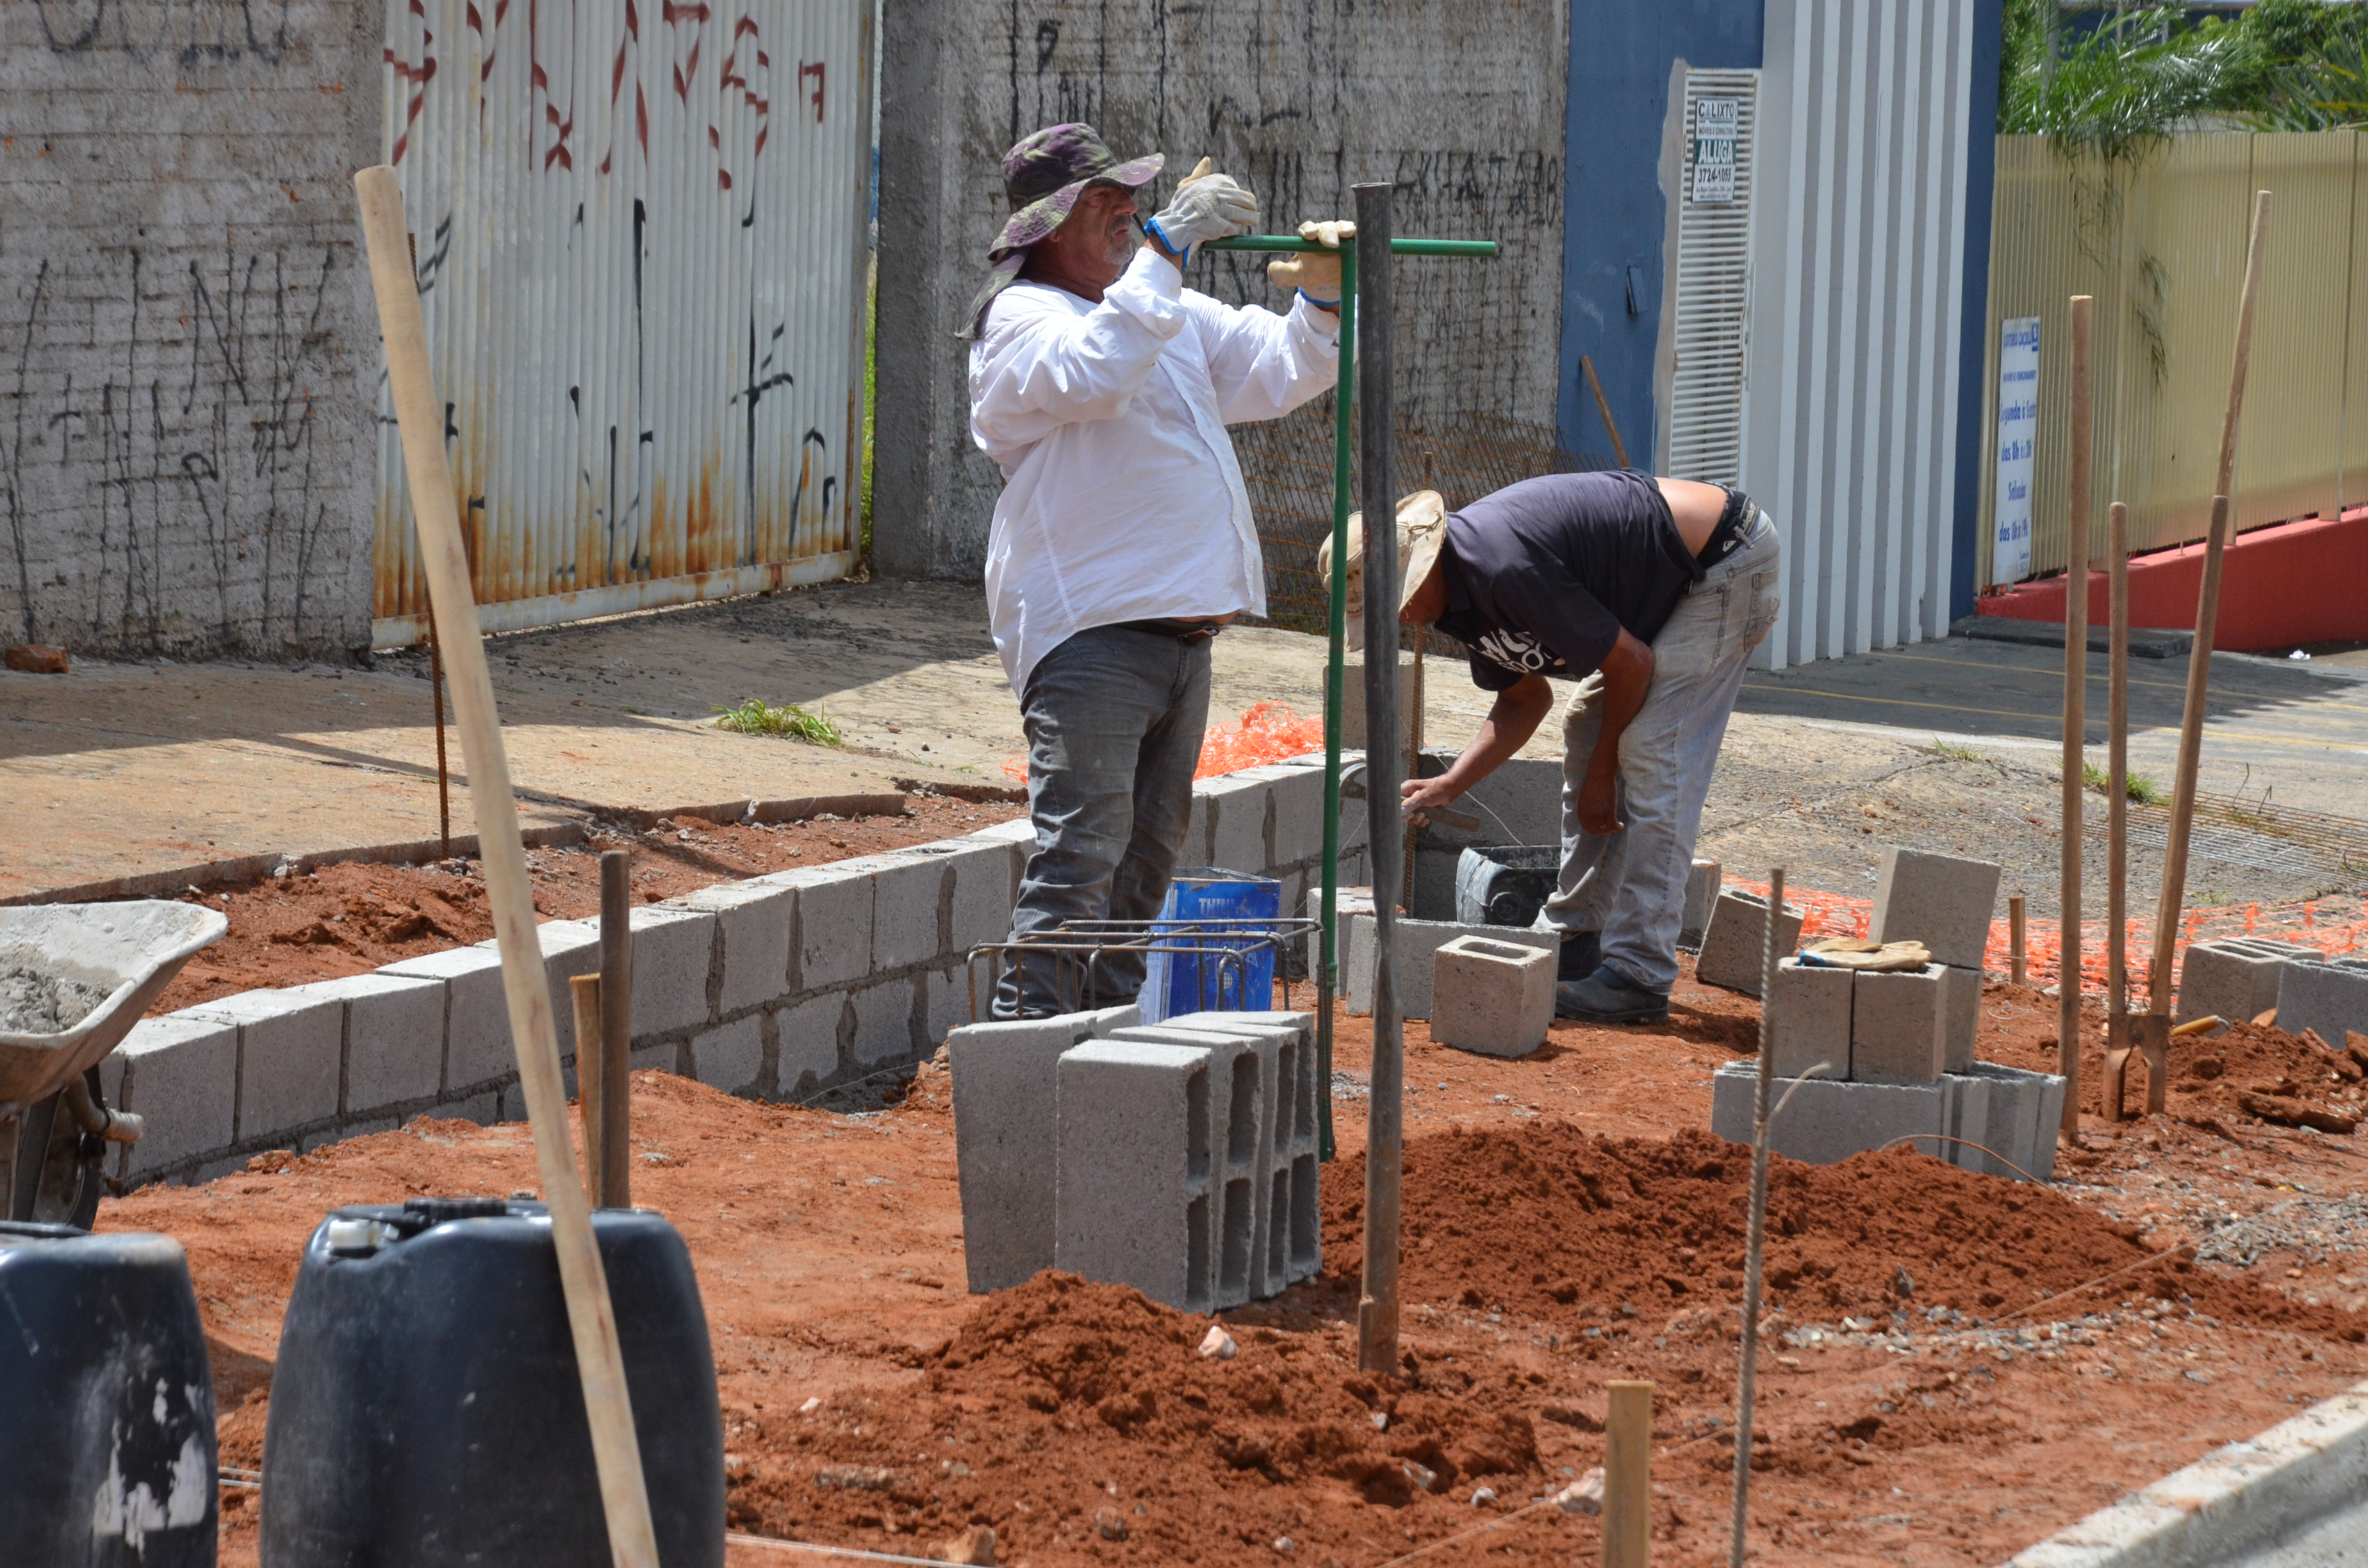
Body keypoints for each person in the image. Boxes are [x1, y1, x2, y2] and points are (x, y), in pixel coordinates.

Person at [967, 123, 1347, 1018]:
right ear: (1049, 228)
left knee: (1142, 869)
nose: (1127, 218)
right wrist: (1171, 246)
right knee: (1082, 858)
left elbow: (1278, 371)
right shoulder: (1023, 319)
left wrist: (1323, 304)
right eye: (1104, 205)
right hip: (1091, 631)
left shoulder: (1155, 306)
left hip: (1180, 635)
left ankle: (1105, 1046)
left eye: (1129, 204)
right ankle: (1030, 1051)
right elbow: (1097, 372)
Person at [1322, 472, 1781, 1024]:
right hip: (1668, 581)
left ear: (1423, 569)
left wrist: (1602, 777)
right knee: (1588, 724)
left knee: (1652, 752)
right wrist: (1451, 783)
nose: (1398, 620)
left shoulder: (1502, 569)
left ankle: (1639, 975)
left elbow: (1631, 664)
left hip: (1722, 559)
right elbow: (1524, 700)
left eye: (1395, 604)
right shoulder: (1453, 599)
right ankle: (1576, 933)